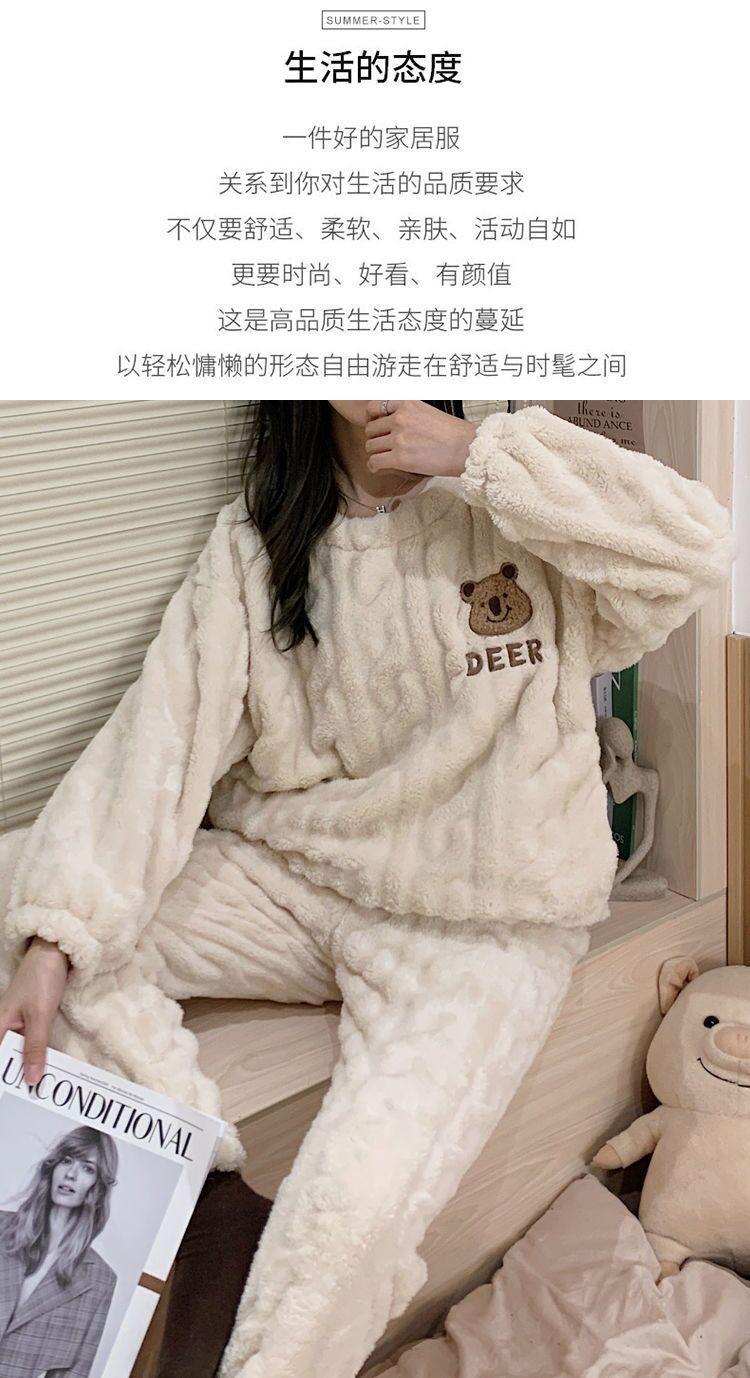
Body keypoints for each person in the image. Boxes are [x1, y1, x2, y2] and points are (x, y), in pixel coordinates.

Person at [0, 400, 736, 1378]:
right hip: (302, 882)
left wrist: (477, 452)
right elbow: (162, 737)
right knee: (31, 899)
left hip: (481, 924)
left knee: (350, 1214)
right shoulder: (260, 539)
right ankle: (207, 1192)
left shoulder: (511, 498)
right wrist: (53, 935)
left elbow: (693, 547)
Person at [0, 1124, 117, 1378]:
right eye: (67, 1161)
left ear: (98, 1186)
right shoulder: (1, 1228)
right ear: (53, 1167)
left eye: (88, 1168)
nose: (71, 1175)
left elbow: (75, 1373)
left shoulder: (101, 1280)